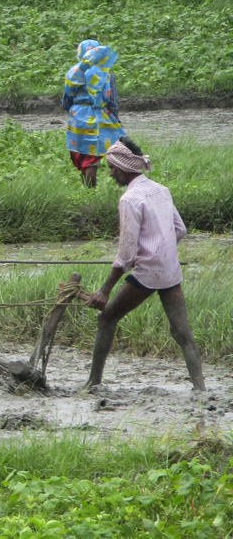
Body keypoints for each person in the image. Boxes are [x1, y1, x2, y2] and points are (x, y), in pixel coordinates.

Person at [84, 140, 204, 391]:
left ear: (124, 168)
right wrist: (162, 248)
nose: (110, 173)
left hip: (148, 272)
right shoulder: (161, 189)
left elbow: (126, 254)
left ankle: (92, 383)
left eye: (112, 168)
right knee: (182, 333)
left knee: (107, 318)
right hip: (170, 270)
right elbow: (180, 229)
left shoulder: (130, 199)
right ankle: (200, 388)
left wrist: (104, 290)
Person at [63, 39, 123, 188]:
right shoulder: (105, 73)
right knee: (92, 158)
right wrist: (115, 120)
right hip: (97, 116)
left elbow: (66, 101)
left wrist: (75, 110)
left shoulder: (74, 72)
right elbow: (113, 101)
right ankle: (90, 193)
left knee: (81, 154)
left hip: (77, 117)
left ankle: (86, 190)